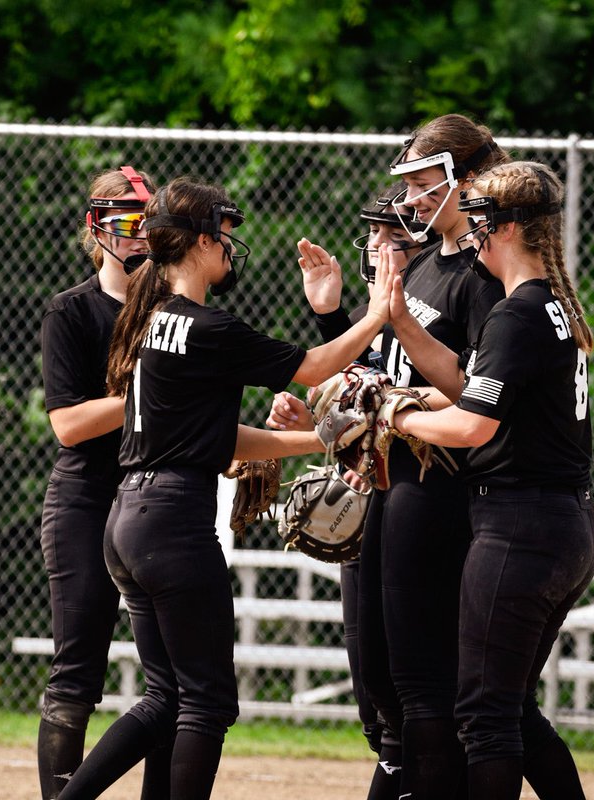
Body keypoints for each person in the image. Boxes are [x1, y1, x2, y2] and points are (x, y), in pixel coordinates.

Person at [56, 176, 397, 800]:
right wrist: (377, 312)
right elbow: (314, 368)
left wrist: (319, 439)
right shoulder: (207, 326)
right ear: (201, 242)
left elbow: (221, 439)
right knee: (208, 705)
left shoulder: (149, 319)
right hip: (176, 524)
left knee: (165, 698)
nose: (230, 251)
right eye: (226, 237)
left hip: (129, 520)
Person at [269, 113, 508, 800]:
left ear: (464, 180)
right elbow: (368, 375)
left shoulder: (482, 275)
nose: (406, 200)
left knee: (424, 687)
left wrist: (397, 400)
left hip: (438, 486)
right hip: (388, 481)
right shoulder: (428, 264)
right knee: (378, 683)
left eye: (421, 181)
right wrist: (331, 322)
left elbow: (475, 392)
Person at [386, 161, 594, 799]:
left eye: (479, 221)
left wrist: (396, 417)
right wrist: (410, 378)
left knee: (482, 715)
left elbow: (475, 425)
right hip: (561, 524)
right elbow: (475, 392)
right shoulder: (547, 304)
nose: (469, 233)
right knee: (509, 708)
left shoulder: (515, 314)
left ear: (505, 227)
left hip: (519, 527)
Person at [267, 182, 438, 799]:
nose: (377, 248)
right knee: (371, 688)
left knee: (403, 697)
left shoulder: (434, 308)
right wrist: (331, 318)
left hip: (419, 505)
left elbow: (399, 400)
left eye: (392, 238)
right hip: (374, 504)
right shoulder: (381, 311)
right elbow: (354, 392)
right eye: (372, 236)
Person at [37, 166, 169, 800]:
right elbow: (68, 424)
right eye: (127, 224)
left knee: (173, 678)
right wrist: (150, 389)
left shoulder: (176, 311)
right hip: (88, 498)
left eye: (151, 225)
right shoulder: (72, 309)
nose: (141, 238)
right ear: (98, 229)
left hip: (157, 501)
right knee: (78, 671)